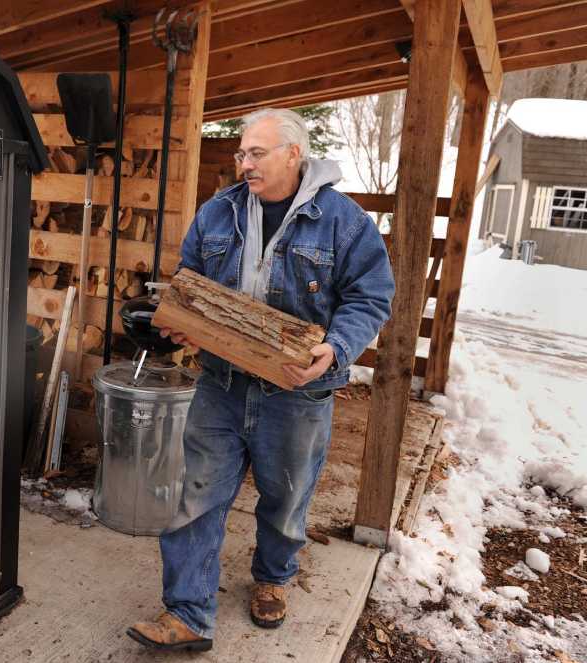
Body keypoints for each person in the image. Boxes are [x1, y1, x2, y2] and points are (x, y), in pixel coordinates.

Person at [126, 108, 395, 652]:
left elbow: (371, 296)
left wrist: (336, 348)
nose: (243, 163)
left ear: (294, 154)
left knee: (286, 496)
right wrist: (185, 326)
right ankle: (187, 612)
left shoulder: (344, 222)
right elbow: (192, 282)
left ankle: (273, 576)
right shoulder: (218, 213)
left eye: (257, 153)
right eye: (241, 153)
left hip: (296, 390)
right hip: (221, 384)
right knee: (197, 495)